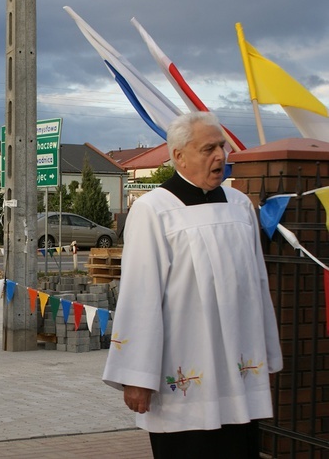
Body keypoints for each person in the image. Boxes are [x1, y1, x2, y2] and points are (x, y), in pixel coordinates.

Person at [102, 111, 282, 459]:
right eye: (208, 148)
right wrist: (137, 375)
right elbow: (141, 296)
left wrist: (265, 356)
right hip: (184, 372)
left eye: (222, 147)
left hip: (238, 370)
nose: (220, 156)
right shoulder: (154, 210)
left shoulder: (241, 206)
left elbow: (258, 286)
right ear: (179, 155)